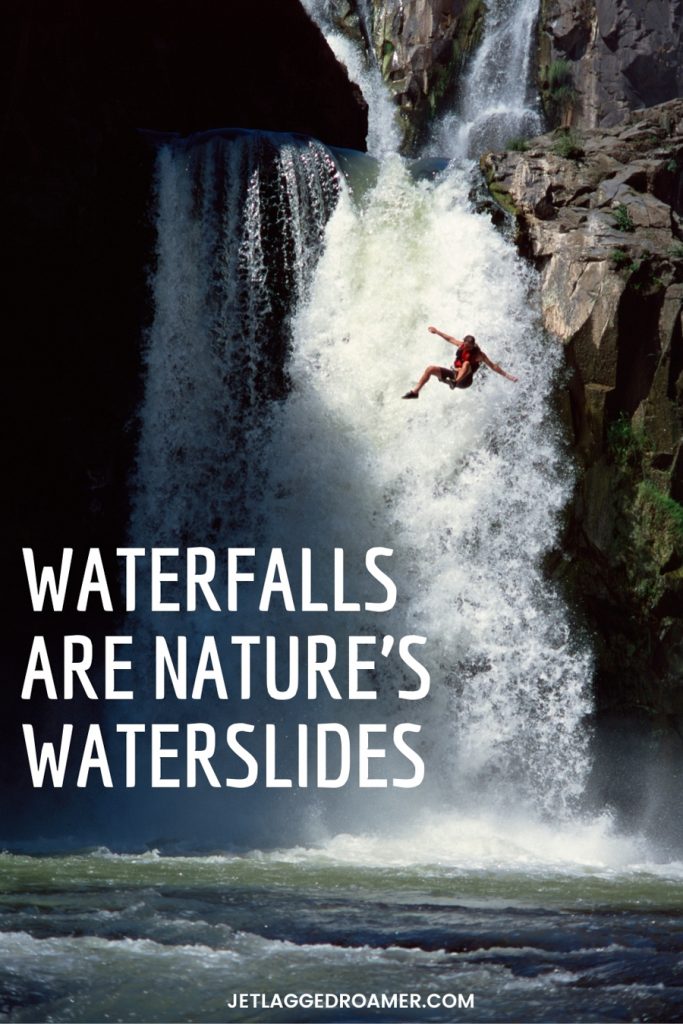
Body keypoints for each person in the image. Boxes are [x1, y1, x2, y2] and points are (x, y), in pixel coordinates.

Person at [402, 326, 518, 398]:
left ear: (473, 346)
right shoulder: (461, 345)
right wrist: (436, 331)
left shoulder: (479, 355)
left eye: (468, 348)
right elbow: (449, 339)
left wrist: (508, 376)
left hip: (464, 381)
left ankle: (453, 382)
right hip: (455, 373)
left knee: (466, 364)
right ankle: (415, 392)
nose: (465, 348)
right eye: (465, 346)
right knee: (430, 369)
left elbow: (493, 366)